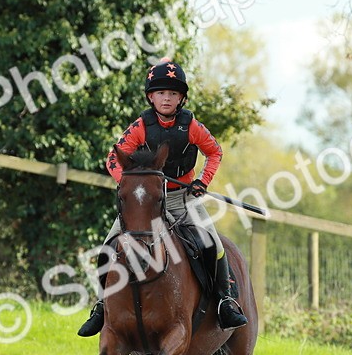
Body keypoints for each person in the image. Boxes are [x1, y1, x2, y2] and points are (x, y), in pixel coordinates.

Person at [77, 60, 248, 336]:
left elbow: (215, 152)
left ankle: (225, 301)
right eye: (160, 93)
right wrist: (130, 183)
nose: (166, 98)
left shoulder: (191, 126)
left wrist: (202, 182)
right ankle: (100, 306)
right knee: (110, 244)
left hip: (183, 199)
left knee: (213, 243)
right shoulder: (140, 126)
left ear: (181, 98)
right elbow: (113, 158)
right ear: (151, 97)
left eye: (172, 93)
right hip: (146, 203)